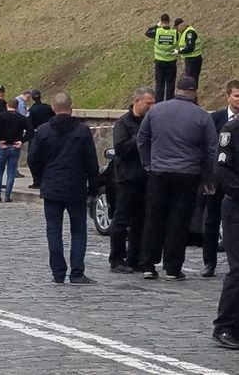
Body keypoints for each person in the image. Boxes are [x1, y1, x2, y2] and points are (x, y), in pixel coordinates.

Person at [137, 76, 217, 280]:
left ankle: (148, 264)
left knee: (154, 218)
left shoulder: (156, 110)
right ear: (194, 92)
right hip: (188, 174)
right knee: (179, 221)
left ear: (176, 90)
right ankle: (173, 267)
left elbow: (142, 138)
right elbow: (211, 149)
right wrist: (208, 176)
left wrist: (148, 164)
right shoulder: (202, 116)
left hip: (159, 172)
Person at [28, 93, 99, 285]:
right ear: (71, 107)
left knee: (54, 231)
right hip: (76, 187)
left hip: (52, 187)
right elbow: (92, 162)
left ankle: (58, 273)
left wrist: (41, 178)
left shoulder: (43, 131)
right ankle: (77, 273)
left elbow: (33, 159)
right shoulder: (82, 131)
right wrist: (93, 189)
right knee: (78, 232)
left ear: (53, 107)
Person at [108, 87, 156, 274]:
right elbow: (120, 149)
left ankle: (135, 257)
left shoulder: (151, 122)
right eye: (148, 103)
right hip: (127, 178)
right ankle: (117, 259)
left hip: (147, 177)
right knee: (121, 220)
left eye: (153, 103)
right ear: (137, 101)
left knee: (141, 221)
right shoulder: (123, 123)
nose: (151, 107)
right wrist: (140, 137)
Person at [203, 80, 239, 277]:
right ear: (227, 96)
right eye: (236, 96)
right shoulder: (217, 118)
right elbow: (209, 147)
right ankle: (209, 262)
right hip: (218, 176)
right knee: (211, 219)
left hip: (236, 178)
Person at [211, 110, 239, 349]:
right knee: (238, 269)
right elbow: (222, 171)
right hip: (237, 208)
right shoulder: (231, 131)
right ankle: (224, 326)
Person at [0, 98, 32, 202]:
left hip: (2, 145)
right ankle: (7, 196)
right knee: (11, 172)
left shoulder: (1, 116)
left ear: (7, 106)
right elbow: (30, 131)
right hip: (15, 146)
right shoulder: (21, 118)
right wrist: (22, 141)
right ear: (17, 106)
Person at [145, 13, 178, 102]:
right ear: (169, 21)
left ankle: (159, 103)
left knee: (159, 84)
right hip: (171, 61)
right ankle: (169, 102)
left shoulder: (157, 31)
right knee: (171, 84)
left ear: (161, 21)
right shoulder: (174, 32)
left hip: (159, 62)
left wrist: (157, 25)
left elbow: (147, 33)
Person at [27, 89, 54, 188]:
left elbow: (29, 125)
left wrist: (26, 138)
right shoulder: (47, 107)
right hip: (48, 135)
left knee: (33, 160)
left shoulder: (31, 110)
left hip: (36, 137)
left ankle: (37, 180)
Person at [174, 18, 204, 87]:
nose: (177, 30)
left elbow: (190, 48)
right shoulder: (186, 32)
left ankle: (192, 96)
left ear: (181, 25)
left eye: (177, 28)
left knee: (190, 82)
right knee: (191, 81)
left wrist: (178, 52)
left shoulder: (189, 33)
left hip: (193, 59)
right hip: (191, 59)